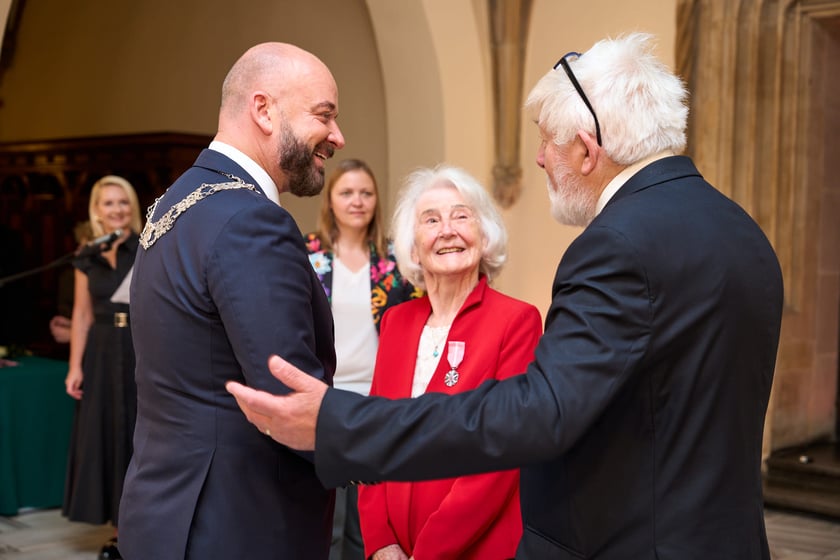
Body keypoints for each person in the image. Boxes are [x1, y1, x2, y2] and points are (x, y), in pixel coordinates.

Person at [226, 32, 785, 560]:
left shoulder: (616, 244)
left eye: (546, 140)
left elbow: (538, 413)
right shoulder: (743, 232)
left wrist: (338, 423)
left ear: (588, 150)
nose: (541, 159)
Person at [118, 42, 345, 560]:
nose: (337, 136)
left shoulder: (177, 199)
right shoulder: (250, 220)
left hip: (165, 513)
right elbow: (288, 395)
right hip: (238, 524)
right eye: (324, 115)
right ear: (263, 110)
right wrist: (389, 450)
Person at [358, 164, 541, 560]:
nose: (447, 230)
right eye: (431, 220)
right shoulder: (396, 322)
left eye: (462, 215)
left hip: (476, 550)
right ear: (412, 245)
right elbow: (372, 436)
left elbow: (501, 454)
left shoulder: (517, 321)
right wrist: (381, 542)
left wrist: (427, 554)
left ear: (485, 235)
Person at [305, 158, 421, 560]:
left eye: (366, 193)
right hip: (326, 397)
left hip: (380, 398)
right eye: (347, 192)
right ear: (330, 200)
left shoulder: (396, 260)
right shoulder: (308, 255)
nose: (357, 201)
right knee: (328, 508)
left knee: (372, 508)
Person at [62, 176, 142, 560]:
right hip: (100, 351)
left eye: (123, 202)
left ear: (133, 207)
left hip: (138, 349)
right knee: (106, 432)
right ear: (96, 210)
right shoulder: (86, 254)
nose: (117, 210)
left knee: (134, 433)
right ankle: (116, 529)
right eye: (108, 203)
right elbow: (81, 314)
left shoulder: (145, 246)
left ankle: (135, 527)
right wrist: (74, 365)